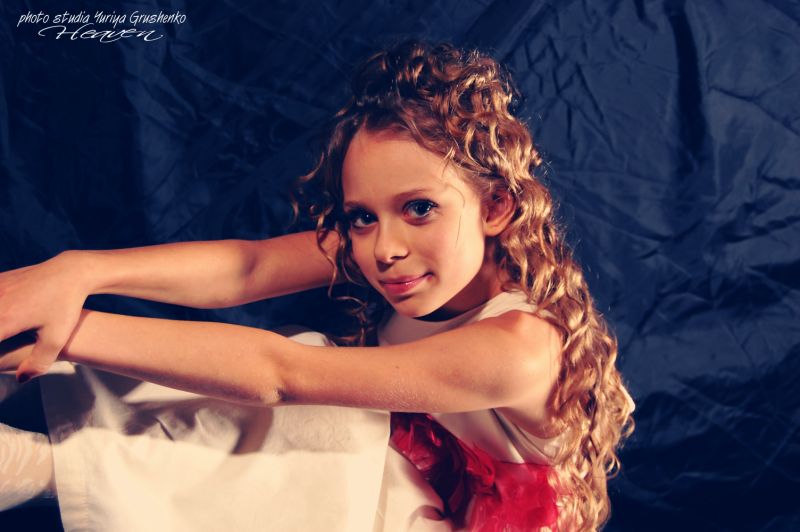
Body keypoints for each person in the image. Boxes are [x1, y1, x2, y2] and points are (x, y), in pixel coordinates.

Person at [0, 40, 635, 530]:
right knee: (328, 417)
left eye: (419, 208)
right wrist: (78, 271)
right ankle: (42, 434)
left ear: (496, 207)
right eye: (362, 216)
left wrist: (64, 330)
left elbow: (281, 375)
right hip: (412, 483)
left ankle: (42, 465)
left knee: (325, 407)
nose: (384, 248)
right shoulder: (399, 254)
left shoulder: (519, 346)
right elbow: (247, 268)